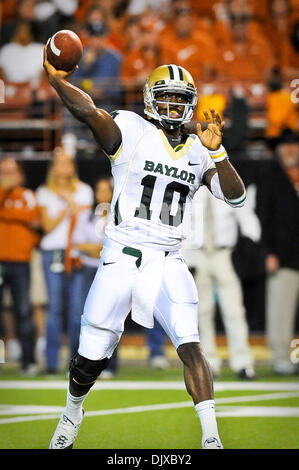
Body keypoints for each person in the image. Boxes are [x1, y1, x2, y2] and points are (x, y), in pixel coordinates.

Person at [44, 47, 247, 449]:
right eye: (167, 96)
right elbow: (89, 111)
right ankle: (72, 411)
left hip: (168, 259)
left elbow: (236, 196)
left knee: (191, 345)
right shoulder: (132, 130)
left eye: (181, 98)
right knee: (89, 359)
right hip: (121, 256)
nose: (174, 104)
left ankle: (211, 439)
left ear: (190, 105)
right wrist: (58, 81)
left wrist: (218, 152)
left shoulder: (198, 149)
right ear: (152, 98)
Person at [182, 185, 261, 379]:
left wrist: (251, 245)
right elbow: (181, 221)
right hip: (196, 254)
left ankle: (243, 363)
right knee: (202, 312)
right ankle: (209, 363)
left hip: (224, 254)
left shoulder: (226, 182)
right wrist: (183, 256)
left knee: (234, 310)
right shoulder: (189, 183)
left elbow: (246, 216)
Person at [36, 148, 93, 374]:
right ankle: (51, 363)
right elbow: (47, 226)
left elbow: (85, 224)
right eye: (60, 163)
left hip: (77, 253)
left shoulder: (84, 190)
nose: (64, 167)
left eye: (68, 163)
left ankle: (75, 363)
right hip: (53, 252)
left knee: (77, 311)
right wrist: (67, 206)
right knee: (55, 309)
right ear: (54, 168)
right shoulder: (45, 192)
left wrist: (72, 201)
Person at [258, 128, 299, 375]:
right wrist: (267, 252)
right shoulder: (268, 175)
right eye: (285, 145)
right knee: (280, 310)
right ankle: (281, 357)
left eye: (294, 145)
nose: (290, 149)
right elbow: (260, 217)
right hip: (282, 255)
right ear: (278, 150)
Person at [74, 177, 119, 379]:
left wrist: (94, 248)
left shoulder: (120, 215)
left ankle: (109, 365)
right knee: (81, 316)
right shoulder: (86, 216)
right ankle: (78, 362)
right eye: (98, 190)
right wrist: (99, 248)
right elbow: (78, 245)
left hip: (110, 271)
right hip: (87, 270)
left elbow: (117, 244)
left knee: (110, 319)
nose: (102, 194)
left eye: (105, 190)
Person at [0, 157, 39, 375]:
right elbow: (25, 218)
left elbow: (34, 220)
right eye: (3, 171)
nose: (7, 176)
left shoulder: (27, 195)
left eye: (11, 171)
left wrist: (6, 213)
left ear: (20, 174)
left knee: (24, 310)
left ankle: (29, 360)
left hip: (20, 261)